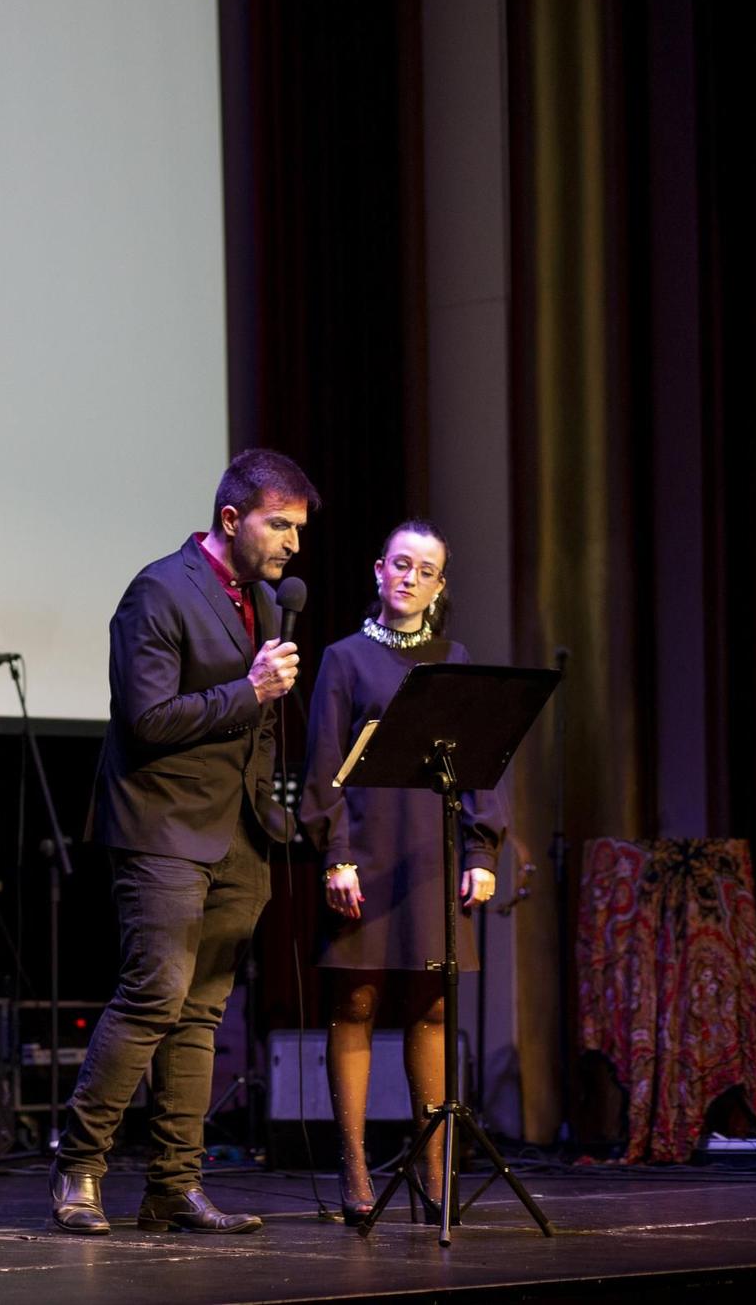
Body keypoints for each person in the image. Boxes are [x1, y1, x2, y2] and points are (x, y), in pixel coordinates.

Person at [50, 448, 316, 1236]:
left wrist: (272, 810)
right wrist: (250, 690)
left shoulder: (266, 603)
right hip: (162, 826)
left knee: (202, 1013)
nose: (292, 544)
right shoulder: (159, 590)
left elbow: (259, 727)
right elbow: (148, 718)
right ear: (232, 518)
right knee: (154, 996)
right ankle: (79, 1167)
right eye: (280, 525)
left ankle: (174, 1182)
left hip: (240, 833)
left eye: (299, 530)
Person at [297, 519, 504, 1225]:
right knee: (355, 1006)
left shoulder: (455, 658)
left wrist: (482, 853)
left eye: (426, 569)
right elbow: (322, 766)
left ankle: (432, 1172)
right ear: (378, 570)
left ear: (440, 585)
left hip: (433, 857)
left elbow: (480, 764)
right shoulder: (343, 658)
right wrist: (335, 854)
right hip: (365, 855)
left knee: (433, 1007)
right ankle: (355, 1168)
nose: (410, 577)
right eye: (400, 564)